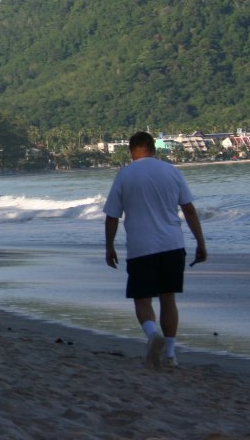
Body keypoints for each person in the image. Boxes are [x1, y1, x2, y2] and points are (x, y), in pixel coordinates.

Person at [104, 131, 207, 369]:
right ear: (154, 148)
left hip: (141, 247)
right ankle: (170, 354)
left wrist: (109, 246)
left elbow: (112, 216)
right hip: (172, 244)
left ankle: (152, 335)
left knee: (142, 300)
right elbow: (189, 210)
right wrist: (200, 242)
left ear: (131, 151)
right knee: (168, 298)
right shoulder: (171, 171)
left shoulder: (124, 175)